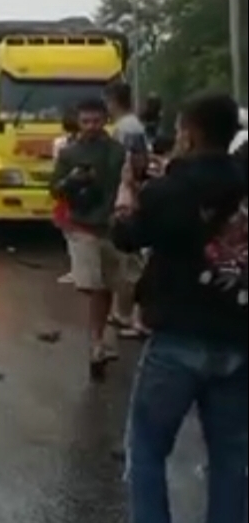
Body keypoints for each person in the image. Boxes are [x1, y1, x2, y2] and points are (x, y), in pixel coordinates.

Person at [112, 92, 247, 523]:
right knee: (230, 459)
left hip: (177, 337)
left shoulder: (170, 190)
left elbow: (126, 235)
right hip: (238, 338)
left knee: (147, 451)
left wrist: (128, 190)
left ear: (189, 131)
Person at [50, 96, 126, 380]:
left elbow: (127, 182)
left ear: (105, 120)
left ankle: (101, 338)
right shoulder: (69, 153)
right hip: (82, 227)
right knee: (92, 286)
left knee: (108, 287)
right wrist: (71, 180)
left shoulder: (118, 152)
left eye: (96, 121)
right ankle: (97, 341)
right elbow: (55, 190)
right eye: (86, 121)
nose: (91, 127)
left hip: (112, 227)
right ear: (78, 122)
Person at [105, 82, 148, 339]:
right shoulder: (133, 125)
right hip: (132, 190)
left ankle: (131, 316)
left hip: (128, 193)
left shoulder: (125, 128)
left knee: (130, 261)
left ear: (113, 100)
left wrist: (127, 189)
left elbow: (133, 161)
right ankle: (126, 313)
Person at [53, 107, 79, 285]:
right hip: (79, 191)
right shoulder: (85, 145)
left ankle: (76, 270)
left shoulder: (60, 144)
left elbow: (57, 167)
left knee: (70, 232)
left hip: (66, 189)